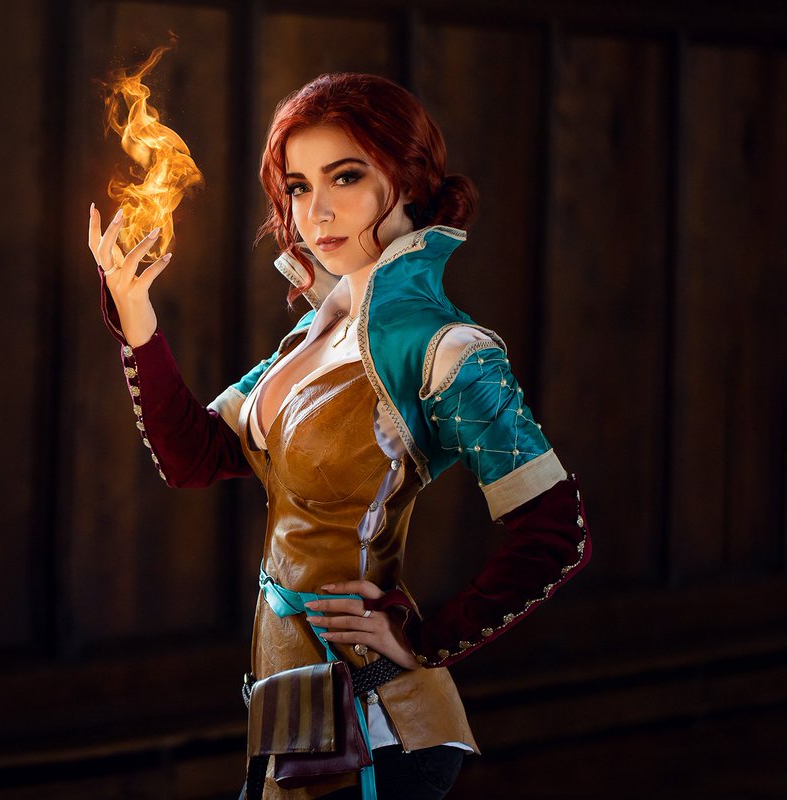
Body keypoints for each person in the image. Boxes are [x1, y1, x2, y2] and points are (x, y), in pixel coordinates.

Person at [86, 72, 591, 800]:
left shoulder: (447, 349)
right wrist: (136, 316)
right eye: (298, 186)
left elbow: (556, 531)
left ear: (407, 180)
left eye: (345, 177)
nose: (315, 211)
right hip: (293, 718)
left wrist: (423, 639)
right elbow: (196, 456)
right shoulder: (312, 332)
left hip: (378, 731)